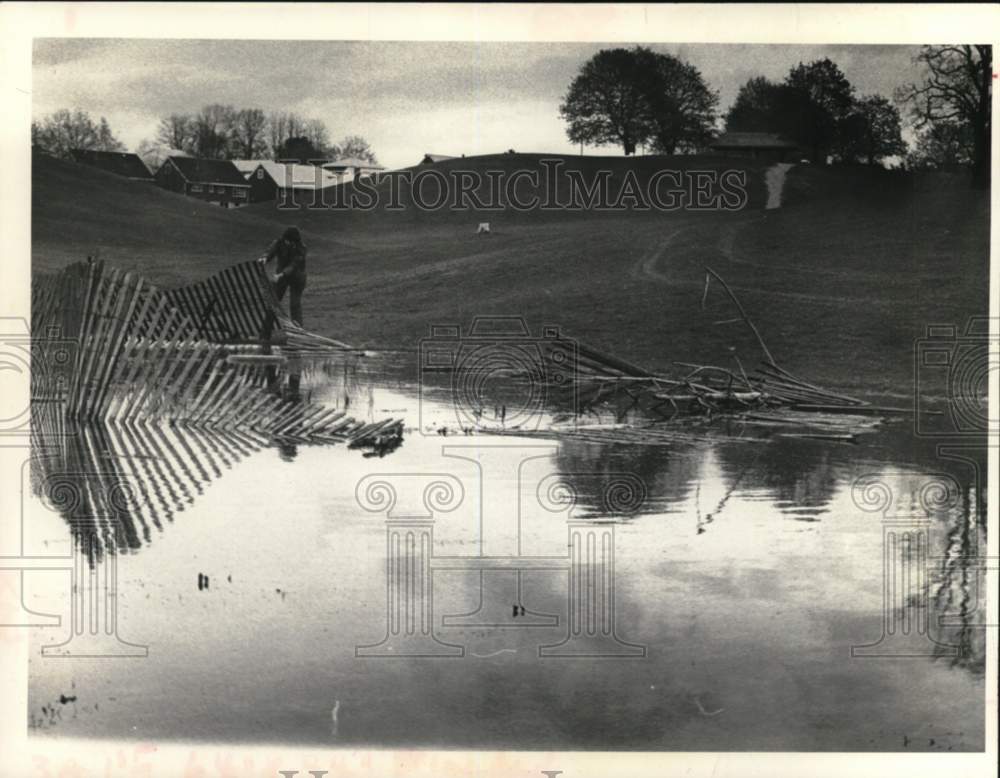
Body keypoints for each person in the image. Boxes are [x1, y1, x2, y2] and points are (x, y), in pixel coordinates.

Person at [258, 226, 307, 327]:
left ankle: (299, 330)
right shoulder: (279, 242)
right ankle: (265, 332)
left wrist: (281, 274)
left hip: (297, 278)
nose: (289, 243)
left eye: (292, 242)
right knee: (274, 303)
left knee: (294, 305)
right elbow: (270, 251)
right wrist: (264, 258)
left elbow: (293, 265)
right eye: (288, 241)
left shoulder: (301, 248)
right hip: (281, 277)